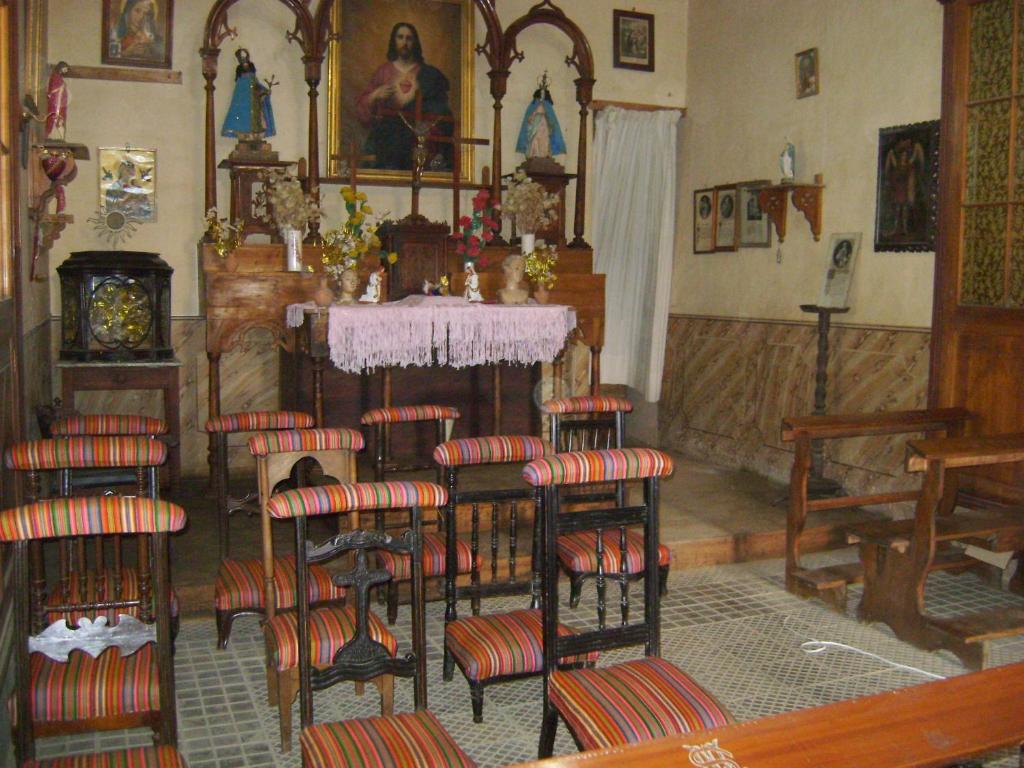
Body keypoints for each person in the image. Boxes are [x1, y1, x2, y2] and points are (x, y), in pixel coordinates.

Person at [355, 22, 453, 171]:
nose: (405, 42)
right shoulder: (384, 72)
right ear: (394, 41)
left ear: (415, 42)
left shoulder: (428, 74)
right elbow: (362, 110)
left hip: (419, 141)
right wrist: (375, 95)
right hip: (388, 141)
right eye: (400, 37)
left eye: (409, 38)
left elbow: (441, 111)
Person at [221, 48, 276, 140]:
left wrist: (265, 92)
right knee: (243, 120)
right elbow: (238, 99)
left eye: (247, 66)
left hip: (255, 107)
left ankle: (255, 135)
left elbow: (258, 88)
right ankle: (245, 134)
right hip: (243, 108)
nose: (246, 68)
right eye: (244, 66)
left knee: (257, 120)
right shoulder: (240, 83)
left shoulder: (253, 80)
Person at [515, 75, 567, 160]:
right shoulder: (533, 104)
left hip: (545, 124)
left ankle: (545, 153)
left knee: (545, 138)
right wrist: (534, 114)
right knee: (535, 137)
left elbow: (552, 120)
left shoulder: (548, 106)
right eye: (541, 93)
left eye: (544, 94)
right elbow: (529, 118)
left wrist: (548, 119)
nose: (542, 96)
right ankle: (534, 153)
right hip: (536, 124)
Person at [45, 61, 69, 140]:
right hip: (56, 104)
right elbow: (53, 90)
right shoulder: (55, 77)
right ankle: (52, 135)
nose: (66, 70)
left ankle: (61, 138)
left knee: (60, 120)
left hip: (60, 103)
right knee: (56, 119)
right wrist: (61, 88)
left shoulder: (59, 77)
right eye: (65, 68)